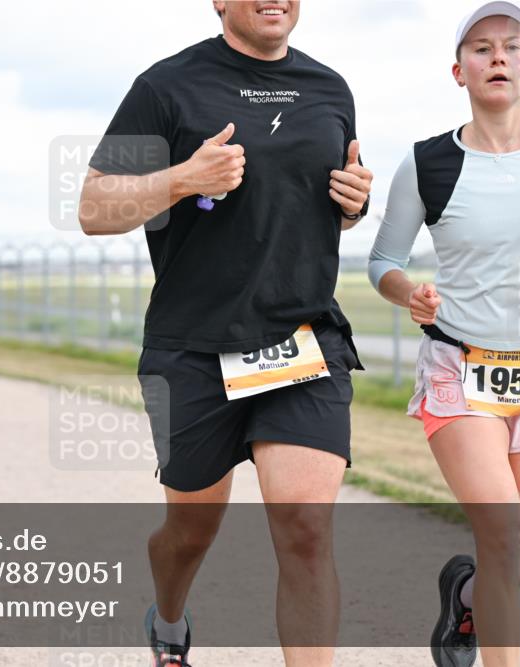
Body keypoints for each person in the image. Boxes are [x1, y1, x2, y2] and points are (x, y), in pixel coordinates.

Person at [79, 2, 373, 664]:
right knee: (190, 530)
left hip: (302, 336)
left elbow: (313, 210)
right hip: (192, 345)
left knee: (305, 526)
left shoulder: (330, 89)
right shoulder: (165, 87)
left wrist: (354, 203)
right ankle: (171, 614)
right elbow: (94, 208)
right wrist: (184, 179)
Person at [367, 3, 520, 666]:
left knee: (519, 551)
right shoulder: (427, 162)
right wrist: (412, 293)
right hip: (460, 371)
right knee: (503, 530)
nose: (497, 58)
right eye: (481, 49)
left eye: (511, 47)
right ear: (459, 72)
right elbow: (383, 263)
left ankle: (465, 598)